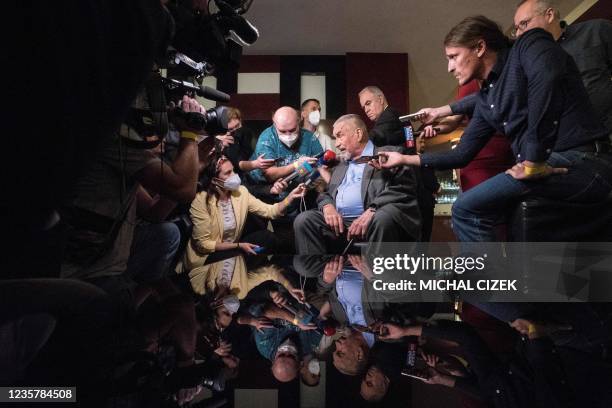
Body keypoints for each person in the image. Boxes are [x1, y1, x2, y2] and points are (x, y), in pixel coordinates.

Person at [374, 16, 612, 242]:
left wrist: (534, 160)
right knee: (468, 207)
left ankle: (487, 282)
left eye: (454, 56)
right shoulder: (489, 98)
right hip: (547, 166)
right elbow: (461, 154)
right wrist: (402, 159)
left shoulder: (529, 44)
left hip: (582, 161)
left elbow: (546, 78)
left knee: (466, 208)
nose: (449, 67)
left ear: (479, 48)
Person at [294, 114, 420, 254]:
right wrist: (327, 206)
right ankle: (319, 273)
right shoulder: (341, 165)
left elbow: (403, 189)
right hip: (341, 225)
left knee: (382, 218)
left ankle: (378, 274)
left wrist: (373, 210)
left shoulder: (390, 155)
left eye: (340, 136)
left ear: (358, 134)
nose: (336, 144)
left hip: (375, 219)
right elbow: (327, 193)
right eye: (335, 138)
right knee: (304, 220)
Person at [182, 156, 305, 269]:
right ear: (215, 180)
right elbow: (203, 245)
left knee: (267, 237)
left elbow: (270, 211)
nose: (235, 176)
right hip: (207, 257)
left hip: (233, 248)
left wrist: (290, 198)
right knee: (236, 256)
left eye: (234, 171)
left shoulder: (240, 192)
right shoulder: (201, 200)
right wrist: (239, 245)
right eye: (228, 173)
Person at [249, 106, 323, 185]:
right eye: (282, 131)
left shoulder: (309, 138)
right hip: (266, 189)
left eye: (292, 130)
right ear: (275, 124)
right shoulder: (267, 139)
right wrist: (296, 164)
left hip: (300, 189)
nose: (288, 135)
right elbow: (269, 175)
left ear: (299, 121)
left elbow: (321, 165)